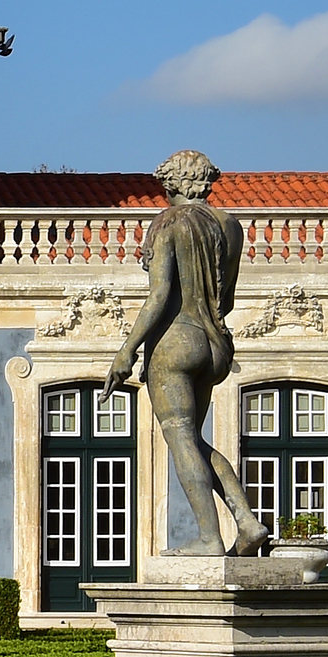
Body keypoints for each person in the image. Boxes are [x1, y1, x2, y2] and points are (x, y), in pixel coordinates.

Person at [107, 150, 266, 557]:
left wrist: (127, 350)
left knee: (180, 439)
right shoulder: (230, 226)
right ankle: (246, 521)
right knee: (194, 439)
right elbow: (225, 298)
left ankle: (209, 538)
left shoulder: (169, 222)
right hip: (215, 343)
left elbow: (159, 296)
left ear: (174, 183)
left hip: (176, 343)